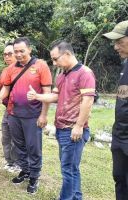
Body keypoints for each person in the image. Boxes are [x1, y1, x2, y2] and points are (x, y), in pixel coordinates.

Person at [27, 41, 95, 199]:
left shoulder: (85, 73)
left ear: (67, 54)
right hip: (62, 129)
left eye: (56, 59)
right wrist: (38, 96)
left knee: (68, 170)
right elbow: (56, 96)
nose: (54, 63)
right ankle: (76, 197)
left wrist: (79, 126)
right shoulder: (63, 75)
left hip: (73, 131)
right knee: (71, 168)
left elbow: (88, 101)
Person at [0, 37, 52, 194]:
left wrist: (44, 115)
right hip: (14, 114)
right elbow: (6, 88)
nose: (18, 54)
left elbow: (47, 93)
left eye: (22, 51)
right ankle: (25, 170)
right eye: (16, 52)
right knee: (19, 146)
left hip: (33, 115)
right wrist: (0, 96)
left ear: (29, 49)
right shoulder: (11, 68)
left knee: (33, 147)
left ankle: (34, 176)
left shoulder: (41, 66)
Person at [103, 20, 128, 200]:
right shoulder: (125, 65)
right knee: (120, 180)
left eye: (120, 41)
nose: (115, 47)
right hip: (120, 135)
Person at [0, 43, 21, 173]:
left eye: (10, 53)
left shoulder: (22, 70)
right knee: (6, 137)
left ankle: (18, 163)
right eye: (5, 54)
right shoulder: (5, 71)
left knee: (17, 138)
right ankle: (9, 162)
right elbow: (5, 89)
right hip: (7, 109)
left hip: (19, 110)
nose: (7, 56)